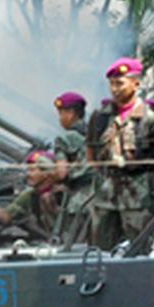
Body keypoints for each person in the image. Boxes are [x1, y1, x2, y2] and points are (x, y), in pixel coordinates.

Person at [86, 58, 154, 251]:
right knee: (100, 251)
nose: (115, 89)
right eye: (112, 84)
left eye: (120, 83)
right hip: (104, 196)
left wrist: (137, 166)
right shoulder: (99, 117)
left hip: (138, 197)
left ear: (136, 83)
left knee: (140, 249)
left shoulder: (150, 120)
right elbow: (91, 152)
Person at [0, 151, 62, 239]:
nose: (27, 174)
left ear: (46, 173)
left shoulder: (63, 193)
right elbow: (5, 218)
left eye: (32, 170)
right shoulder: (30, 195)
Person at [52, 91, 95, 246]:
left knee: (71, 248)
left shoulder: (64, 139)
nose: (60, 118)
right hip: (98, 200)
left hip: (77, 202)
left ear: (71, 113)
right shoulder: (95, 135)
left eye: (61, 113)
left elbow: (61, 173)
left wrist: (48, 176)